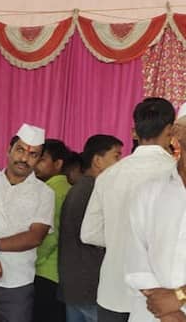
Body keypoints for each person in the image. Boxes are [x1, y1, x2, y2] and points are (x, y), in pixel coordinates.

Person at [81, 97, 176, 322]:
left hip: (113, 290)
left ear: (135, 131)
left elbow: (88, 233)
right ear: (170, 130)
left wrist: (119, 237)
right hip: (158, 295)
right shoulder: (175, 174)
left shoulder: (108, 175)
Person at [0, 124, 54, 322]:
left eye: (33, 154)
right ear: (9, 149)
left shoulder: (44, 193)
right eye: (20, 150)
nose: (24, 159)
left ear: (39, 159)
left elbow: (35, 236)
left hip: (17, 282)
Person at [124, 103, 186, 322]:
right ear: (177, 132)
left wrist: (179, 297)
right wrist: (168, 312)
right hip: (151, 312)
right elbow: (135, 255)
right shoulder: (149, 192)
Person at [59, 135, 123, 322]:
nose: (120, 163)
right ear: (97, 161)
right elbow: (93, 237)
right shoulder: (94, 190)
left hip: (75, 284)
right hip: (90, 285)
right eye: (116, 156)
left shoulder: (81, 187)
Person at [33, 139, 71, 322]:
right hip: (58, 272)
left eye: (42, 159)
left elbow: (50, 236)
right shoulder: (66, 188)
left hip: (45, 271)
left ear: (58, 164)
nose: (35, 164)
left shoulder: (52, 192)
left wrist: (34, 261)